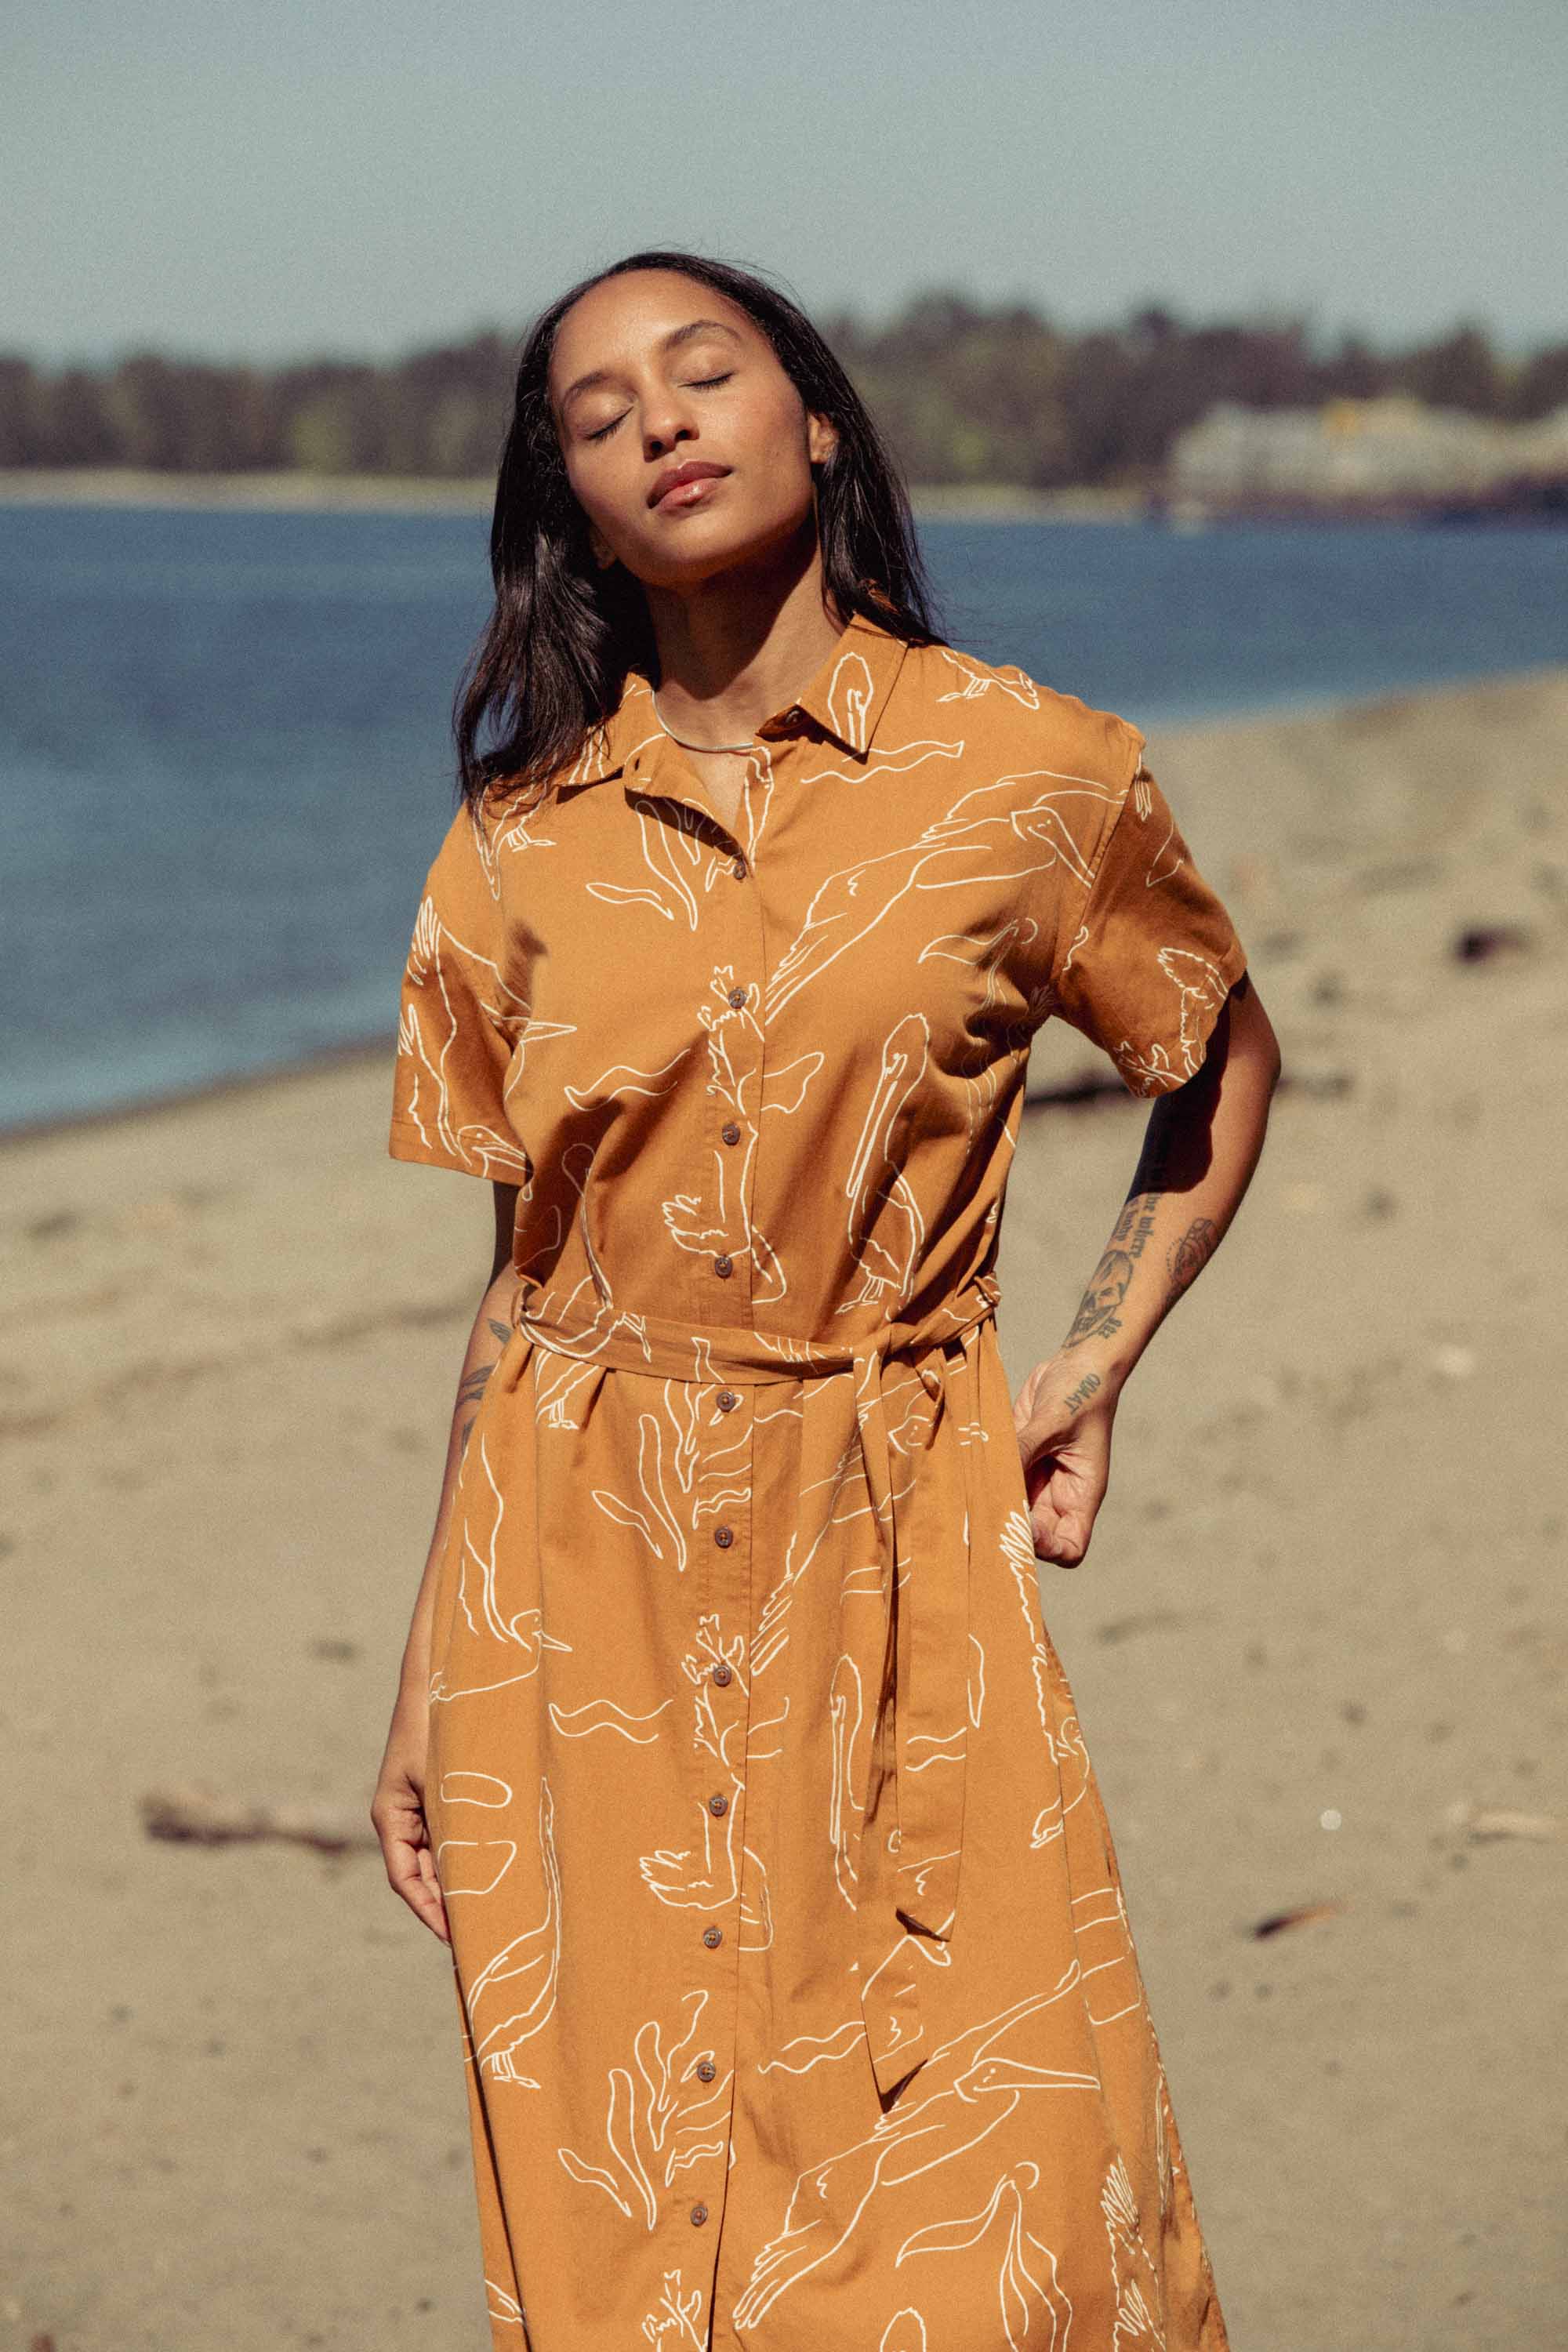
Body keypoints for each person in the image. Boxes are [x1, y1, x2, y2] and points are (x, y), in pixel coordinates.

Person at [372, 246, 1279, 2350]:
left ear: (822, 420)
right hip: (566, 1582)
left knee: (995, 2195)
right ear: (571, 502)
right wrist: (429, 1660)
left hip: (899, 1545)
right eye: (598, 415)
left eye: (704, 374)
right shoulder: (513, 848)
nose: (660, 422)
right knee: (629, 2235)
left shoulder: (1026, 769)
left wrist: (1103, 1354)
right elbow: (517, 1285)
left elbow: (1214, 1050)